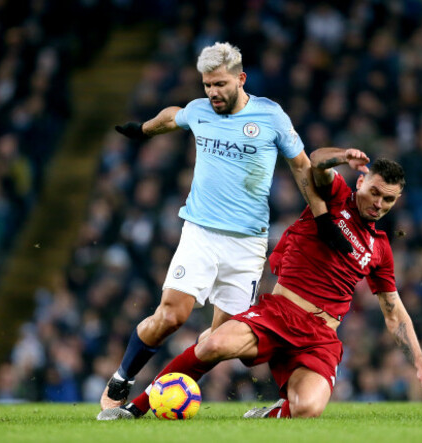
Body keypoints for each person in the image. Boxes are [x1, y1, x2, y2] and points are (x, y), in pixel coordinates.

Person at [97, 150, 422, 420]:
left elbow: (394, 311)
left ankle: (272, 413)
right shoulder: (336, 197)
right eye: (375, 192)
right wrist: (345, 155)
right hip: (280, 313)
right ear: (361, 183)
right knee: (213, 344)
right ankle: (136, 409)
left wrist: (419, 363)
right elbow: (315, 163)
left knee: (308, 409)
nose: (379, 204)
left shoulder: (380, 249)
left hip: (320, 337)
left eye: (388, 200)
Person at [100, 42, 352, 410]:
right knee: (171, 316)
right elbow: (173, 116)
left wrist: (321, 216)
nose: (213, 93)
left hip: (247, 244)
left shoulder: (270, 116)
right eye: (207, 85)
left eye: (220, 84)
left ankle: (163, 398)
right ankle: (123, 378)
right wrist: (143, 130)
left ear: (240, 79)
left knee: (221, 340)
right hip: (201, 231)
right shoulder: (200, 111)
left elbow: (301, 166)